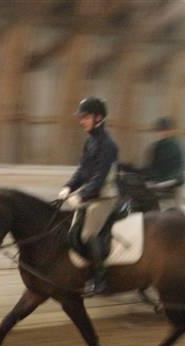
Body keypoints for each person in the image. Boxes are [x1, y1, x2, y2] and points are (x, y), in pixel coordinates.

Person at [57, 96, 119, 296]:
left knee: (87, 234)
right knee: (71, 232)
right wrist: (68, 187)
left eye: (85, 117)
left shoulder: (107, 144)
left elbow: (100, 178)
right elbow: (83, 171)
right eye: (81, 117)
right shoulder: (90, 141)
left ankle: (100, 279)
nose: (81, 120)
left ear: (98, 117)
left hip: (105, 197)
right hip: (91, 195)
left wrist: (81, 195)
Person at [120, 117, 185, 208]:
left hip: (168, 180)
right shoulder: (167, 145)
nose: (162, 133)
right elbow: (152, 167)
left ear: (171, 131)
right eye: (161, 130)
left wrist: (137, 172)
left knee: (132, 185)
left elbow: (158, 169)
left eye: (164, 130)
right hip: (169, 180)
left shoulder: (168, 146)